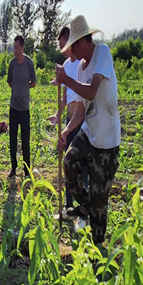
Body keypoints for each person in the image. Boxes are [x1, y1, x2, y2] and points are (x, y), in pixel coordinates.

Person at [54, 15, 121, 246]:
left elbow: (91, 91)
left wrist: (66, 80)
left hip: (107, 140)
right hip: (89, 132)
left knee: (100, 203)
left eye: (73, 46)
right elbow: (82, 110)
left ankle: (98, 251)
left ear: (83, 40)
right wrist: (66, 130)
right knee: (69, 161)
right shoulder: (81, 68)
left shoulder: (102, 53)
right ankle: (85, 206)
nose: (71, 52)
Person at [48, 27, 87, 215]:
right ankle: (68, 206)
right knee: (67, 163)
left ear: (70, 41)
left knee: (81, 165)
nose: (61, 49)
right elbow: (64, 98)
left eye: (63, 44)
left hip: (81, 122)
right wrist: (58, 115)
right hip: (69, 121)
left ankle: (84, 208)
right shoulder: (65, 65)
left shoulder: (81, 63)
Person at [7, 34, 37, 178]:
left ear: (23, 47)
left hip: (24, 109)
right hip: (13, 108)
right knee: (12, 140)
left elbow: (34, 82)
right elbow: (9, 82)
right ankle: (13, 168)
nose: (15, 50)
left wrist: (24, 88)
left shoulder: (29, 63)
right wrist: (17, 89)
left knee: (25, 141)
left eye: (17, 48)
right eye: (14, 48)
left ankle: (26, 171)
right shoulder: (12, 64)